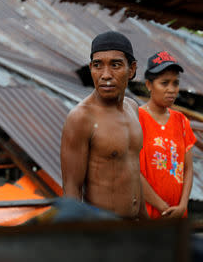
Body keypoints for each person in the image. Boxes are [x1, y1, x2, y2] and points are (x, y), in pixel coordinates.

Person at [61, 31, 149, 220]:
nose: (105, 75)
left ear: (132, 69)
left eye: (115, 65)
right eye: (97, 65)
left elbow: (133, 174)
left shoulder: (133, 108)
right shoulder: (81, 117)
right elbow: (71, 189)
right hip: (103, 233)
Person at [138, 51, 196, 219]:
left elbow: (188, 169)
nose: (171, 89)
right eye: (164, 83)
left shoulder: (181, 121)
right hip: (146, 215)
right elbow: (133, 171)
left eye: (175, 83)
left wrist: (182, 206)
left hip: (177, 216)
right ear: (149, 85)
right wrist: (163, 208)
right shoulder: (136, 119)